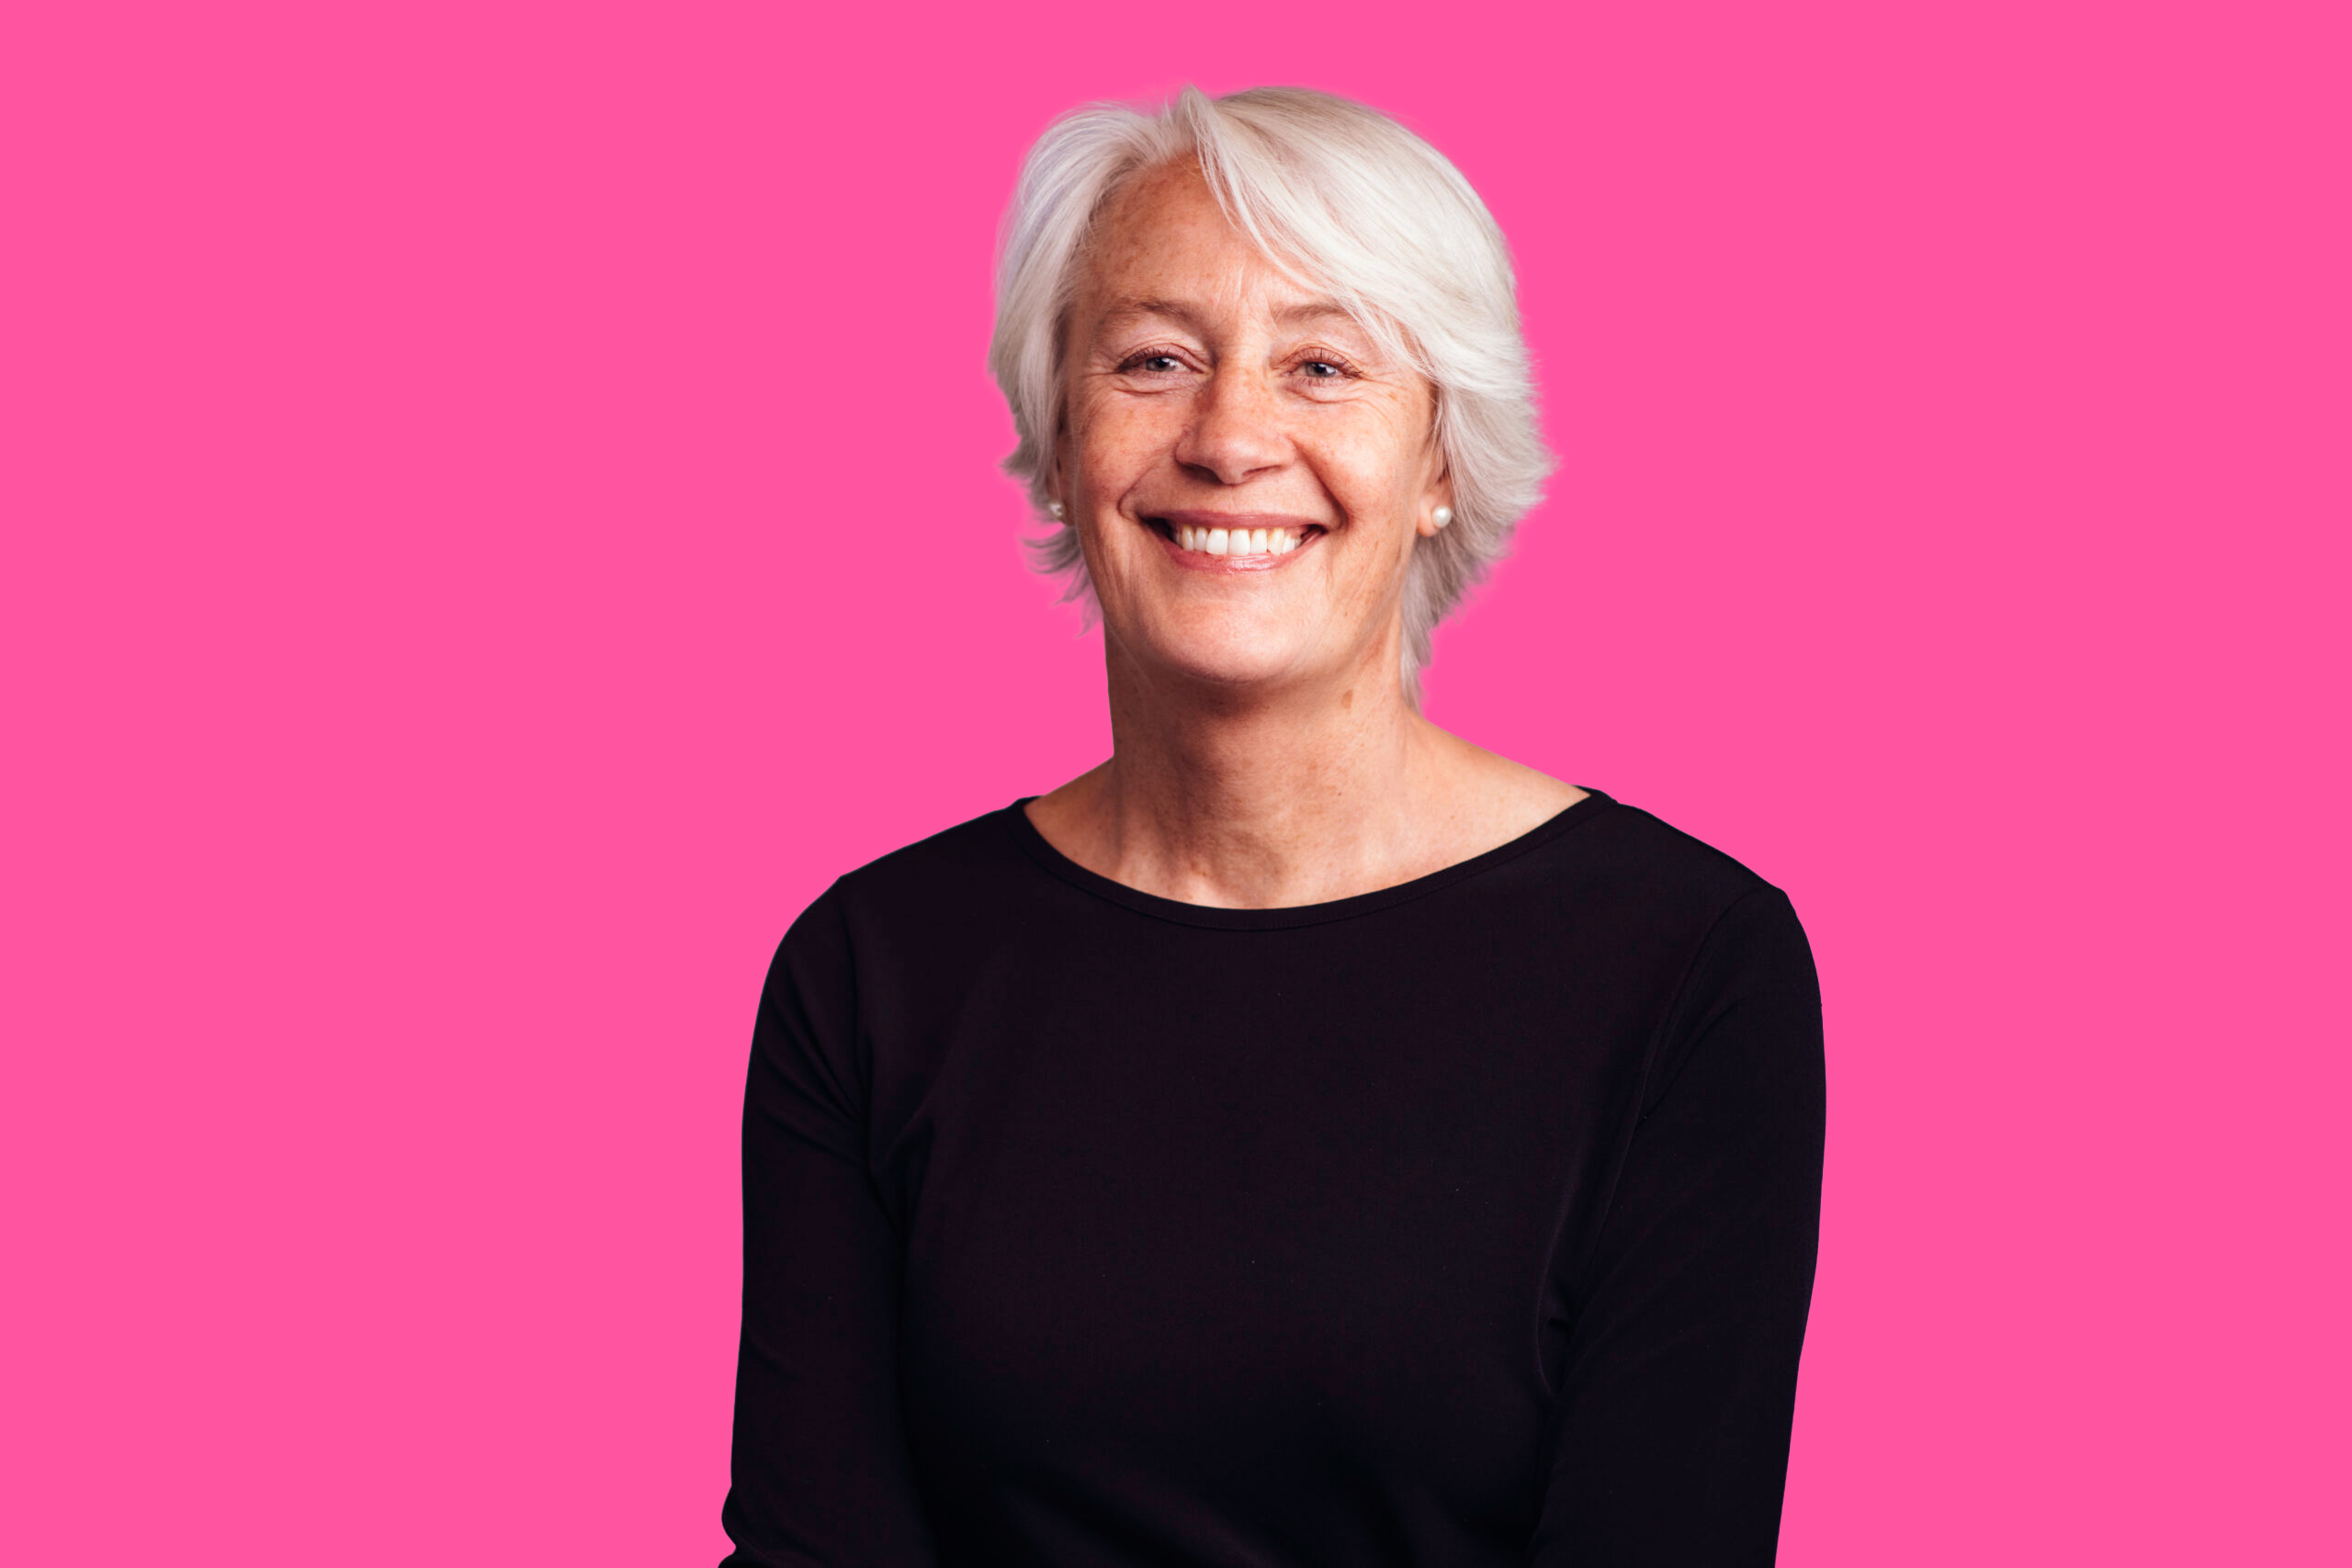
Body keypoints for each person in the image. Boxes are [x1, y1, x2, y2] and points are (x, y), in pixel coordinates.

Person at [721, 86, 1825, 1567]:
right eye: (1155, 359)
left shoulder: (1687, 966)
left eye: (1322, 364)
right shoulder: (871, 972)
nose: (1232, 436)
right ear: (1062, 434)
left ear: (1440, 462)